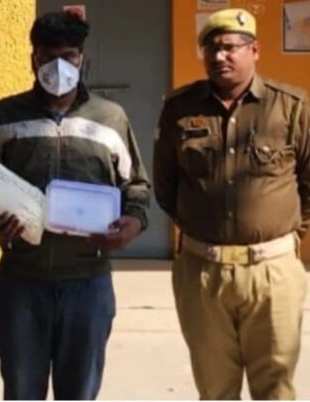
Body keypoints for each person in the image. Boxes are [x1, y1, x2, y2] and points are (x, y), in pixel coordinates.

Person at [0, 11, 150, 400]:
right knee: (21, 391)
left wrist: (132, 224)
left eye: (68, 56)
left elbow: (136, 186)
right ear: (33, 59)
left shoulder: (110, 118)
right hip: (22, 282)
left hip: (88, 283)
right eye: (48, 56)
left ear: (83, 59)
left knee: (79, 393)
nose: (58, 66)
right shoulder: (6, 115)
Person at [154, 8, 309, 400]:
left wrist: (287, 236)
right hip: (202, 272)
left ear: (254, 50)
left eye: (229, 47)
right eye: (210, 48)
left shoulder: (291, 107)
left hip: (272, 272)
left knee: (275, 387)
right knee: (215, 390)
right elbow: (166, 187)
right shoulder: (180, 108)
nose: (219, 56)